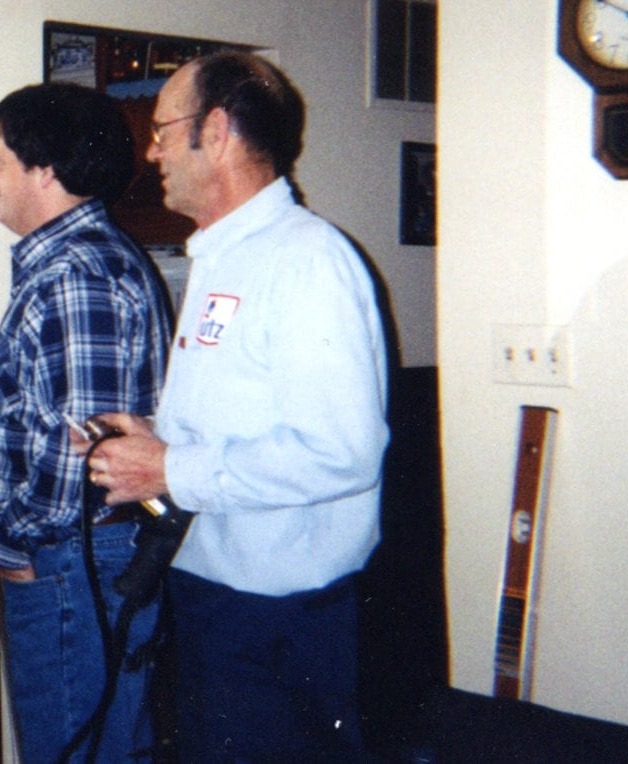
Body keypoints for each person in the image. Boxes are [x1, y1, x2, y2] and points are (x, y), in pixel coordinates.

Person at [85, 53, 389, 762]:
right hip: (214, 597)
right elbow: (248, 421)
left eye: (161, 128)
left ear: (214, 131)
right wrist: (154, 440)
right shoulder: (223, 259)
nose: (151, 148)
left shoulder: (307, 262)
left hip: (281, 622)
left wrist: (170, 470)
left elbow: (339, 452)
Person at [0, 82, 172, 763]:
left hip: (69, 564)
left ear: (45, 169)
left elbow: (80, 455)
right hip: (77, 563)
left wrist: (19, 547)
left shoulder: (75, 274)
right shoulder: (72, 261)